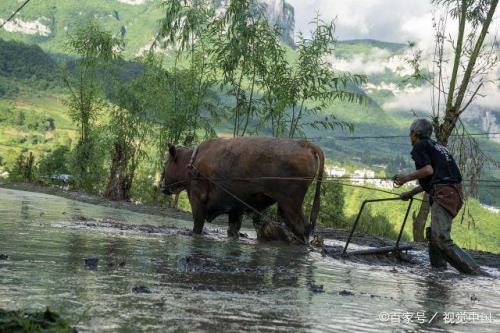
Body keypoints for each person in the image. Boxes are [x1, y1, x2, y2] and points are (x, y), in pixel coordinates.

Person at [393, 118, 484, 275]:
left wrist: (405, 178)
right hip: (453, 193)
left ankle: (477, 274)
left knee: (441, 238)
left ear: (414, 133)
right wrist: (409, 193)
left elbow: (427, 171)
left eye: (410, 134)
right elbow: (434, 178)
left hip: (444, 194)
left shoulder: (420, 146)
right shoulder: (437, 147)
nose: (410, 137)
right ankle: (438, 271)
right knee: (434, 235)